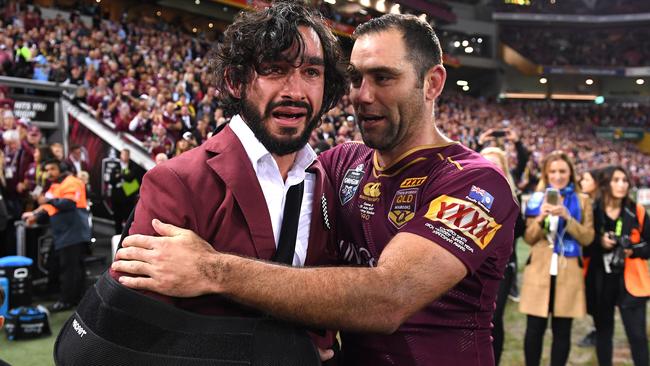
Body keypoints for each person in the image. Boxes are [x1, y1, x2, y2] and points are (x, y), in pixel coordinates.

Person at [114, 14, 519, 365]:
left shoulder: (476, 182)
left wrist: (211, 269)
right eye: (356, 78)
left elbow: (388, 296)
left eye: (383, 77)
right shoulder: (338, 166)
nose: (362, 95)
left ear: (432, 83)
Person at [111, 0, 347, 359]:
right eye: (274, 69)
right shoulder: (176, 182)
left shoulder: (322, 180)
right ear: (236, 81)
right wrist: (281, 354)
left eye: (311, 72)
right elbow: (131, 333)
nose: (296, 91)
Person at [519, 150, 595, 366]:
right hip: (539, 270)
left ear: (571, 173)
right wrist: (542, 217)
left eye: (562, 171)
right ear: (546, 174)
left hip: (568, 270)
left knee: (562, 331)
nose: (558, 176)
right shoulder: (536, 199)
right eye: (552, 171)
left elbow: (588, 237)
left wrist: (567, 217)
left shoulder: (582, 200)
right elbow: (529, 238)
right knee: (534, 329)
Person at [586, 166, 649, 366]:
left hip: (631, 282)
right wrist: (599, 241)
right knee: (604, 336)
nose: (622, 185)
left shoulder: (636, 210)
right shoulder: (592, 211)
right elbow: (583, 245)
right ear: (605, 184)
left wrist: (634, 250)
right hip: (601, 280)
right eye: (616, 180)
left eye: (624, 180)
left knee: (638, 337)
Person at [21, 159, 91, 312]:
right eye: (47, 169)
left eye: (52, 169)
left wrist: (49, 200)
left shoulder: (72, 181)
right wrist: (34, 214)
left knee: (71, 269)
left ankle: (67, 301)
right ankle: (71, 297)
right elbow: (47, 207)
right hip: (63, 234)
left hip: (74, 232)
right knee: (63, 266)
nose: (49, 173)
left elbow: (68, 204)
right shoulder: (54, 186)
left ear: (62, 168)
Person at [481, 147, 525, 366]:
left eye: (496, 164)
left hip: (503, 267)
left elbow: (521, 230)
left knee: (494, 319)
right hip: (473, 266)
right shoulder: (469, 192)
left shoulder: (513, 197)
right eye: (486, 162)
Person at [578, 168, 601, 348]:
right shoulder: (587, 202)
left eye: (586, 179)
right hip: (587, 258)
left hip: (597, 261)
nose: (582, 182)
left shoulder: (599, 205)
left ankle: (598, 331)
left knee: (595, 298)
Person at [109, 148, 140, 234]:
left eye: (126, 155)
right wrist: (124, 175)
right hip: (117, 198)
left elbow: (130, 178)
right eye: (123, 154)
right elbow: (112, 180)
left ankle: (128, 236)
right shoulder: (115, 167)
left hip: (128, 198)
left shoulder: (133, 166)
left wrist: (120, 174)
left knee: (128, 220)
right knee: (117, 220)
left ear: (129, 156)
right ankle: (117, 237)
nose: (124, 156)